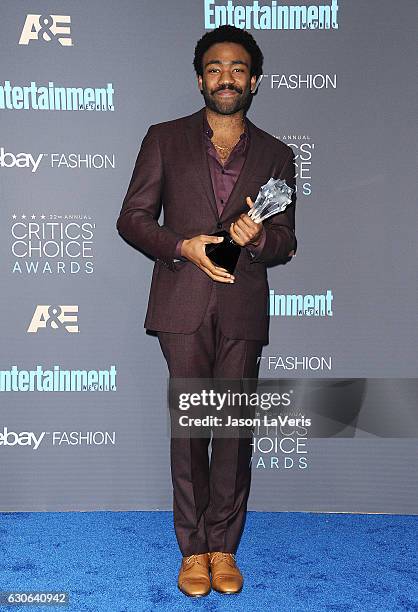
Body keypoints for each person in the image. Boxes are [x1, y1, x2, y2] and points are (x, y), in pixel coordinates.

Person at [116, 24, 297, 598]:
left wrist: (258, 237)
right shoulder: (163, 138)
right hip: (183, 302)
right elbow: (133, 218)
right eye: (215, 68)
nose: (226, 77)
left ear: (255, 81)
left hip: (242, 305)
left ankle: (225, 547)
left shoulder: (277, 155)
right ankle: (193, 550)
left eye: (238, 69)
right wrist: (183, 246)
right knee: (193, 429)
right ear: (200, 78)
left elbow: (286, 242)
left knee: (234, 432)